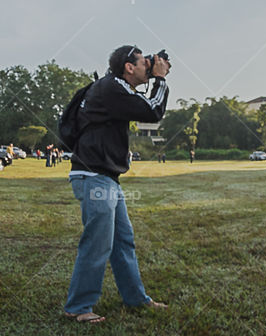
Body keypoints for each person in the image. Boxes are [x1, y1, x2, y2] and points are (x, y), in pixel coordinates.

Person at [63, 45, 171, 324]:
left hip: (105, 177)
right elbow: (153, 110)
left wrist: (155, 76)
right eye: (143, 62)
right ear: (128, 66)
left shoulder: (113, 87)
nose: (148, 65)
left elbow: (143, 105)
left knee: (123, 242)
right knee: (97, 244)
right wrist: (160, 79)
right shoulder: (112, 87)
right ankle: (78, 307)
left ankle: (136, 298)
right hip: (94, 176)